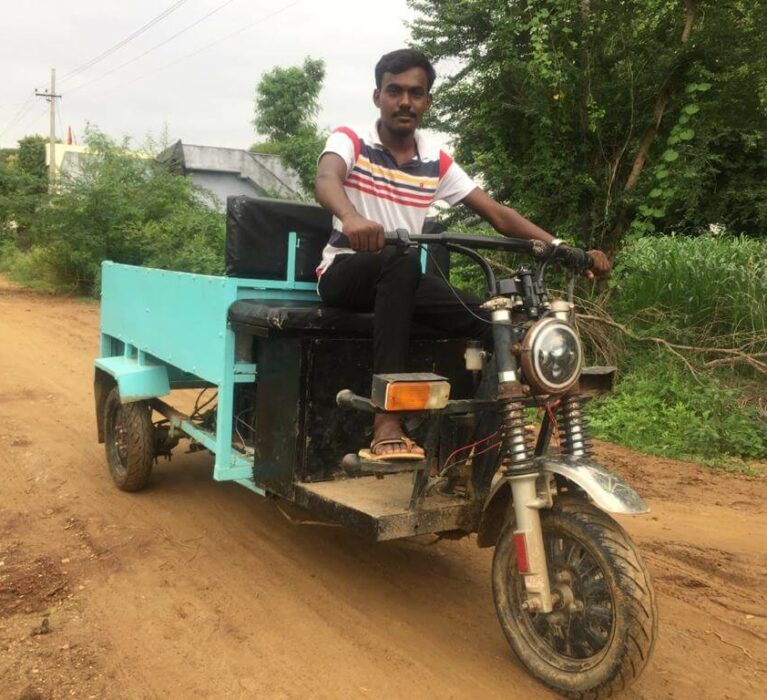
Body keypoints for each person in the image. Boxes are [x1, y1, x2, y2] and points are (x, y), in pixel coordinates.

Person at [315, 48, 610, 461]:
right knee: (401, 256)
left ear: (427, 102)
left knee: (495, 320)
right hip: (345, 272)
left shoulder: (435, 161)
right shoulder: (350, 139)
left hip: (400, 278)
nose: (405, 102)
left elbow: (496, 213)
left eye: (416, 93)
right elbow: (327, 178)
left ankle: (484, 439)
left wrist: (562, 248)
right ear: (377, 96)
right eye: (395, 91)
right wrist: (350, 217)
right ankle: (386, 419)